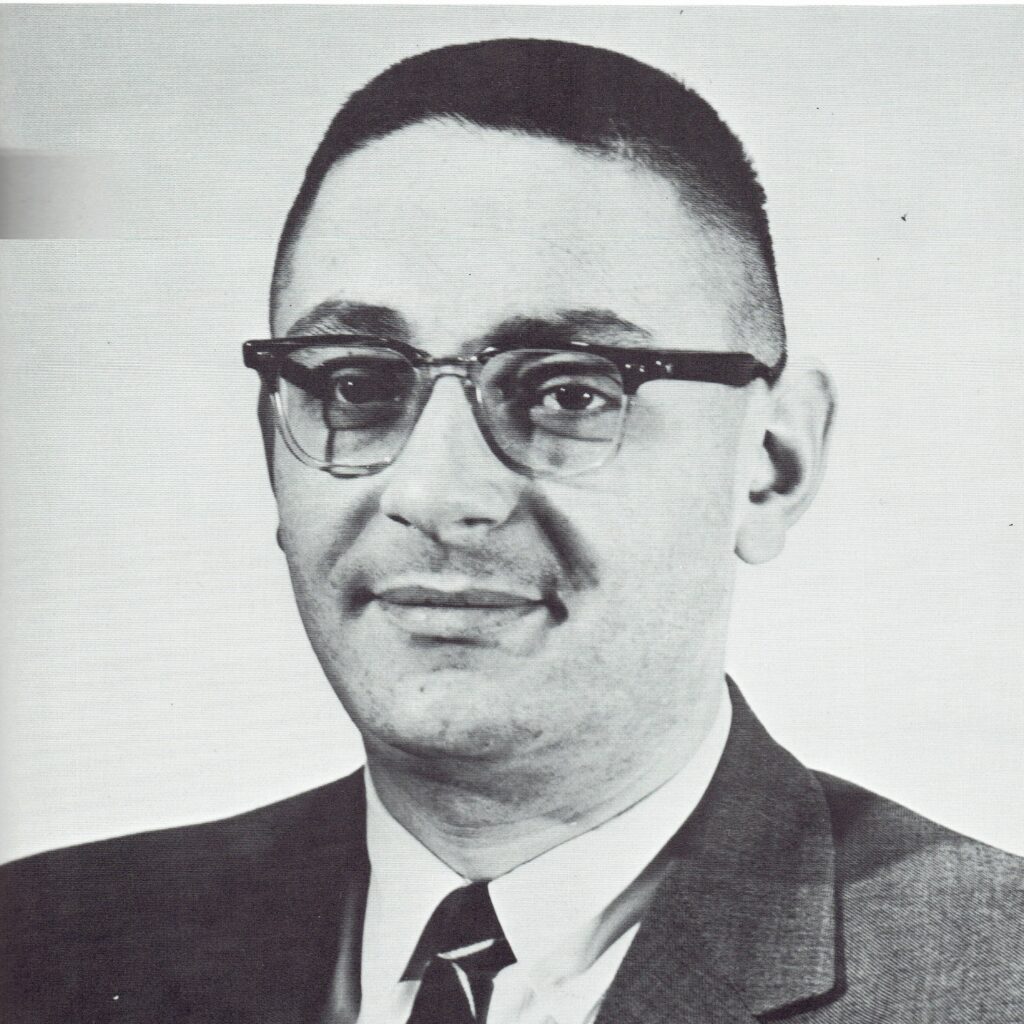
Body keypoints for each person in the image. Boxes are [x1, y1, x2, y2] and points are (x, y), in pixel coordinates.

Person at [2, 37, 1020, 1024]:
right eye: (357, 382)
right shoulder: (45, 945)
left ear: (772, 464)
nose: (437, 493)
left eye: (570, 390)